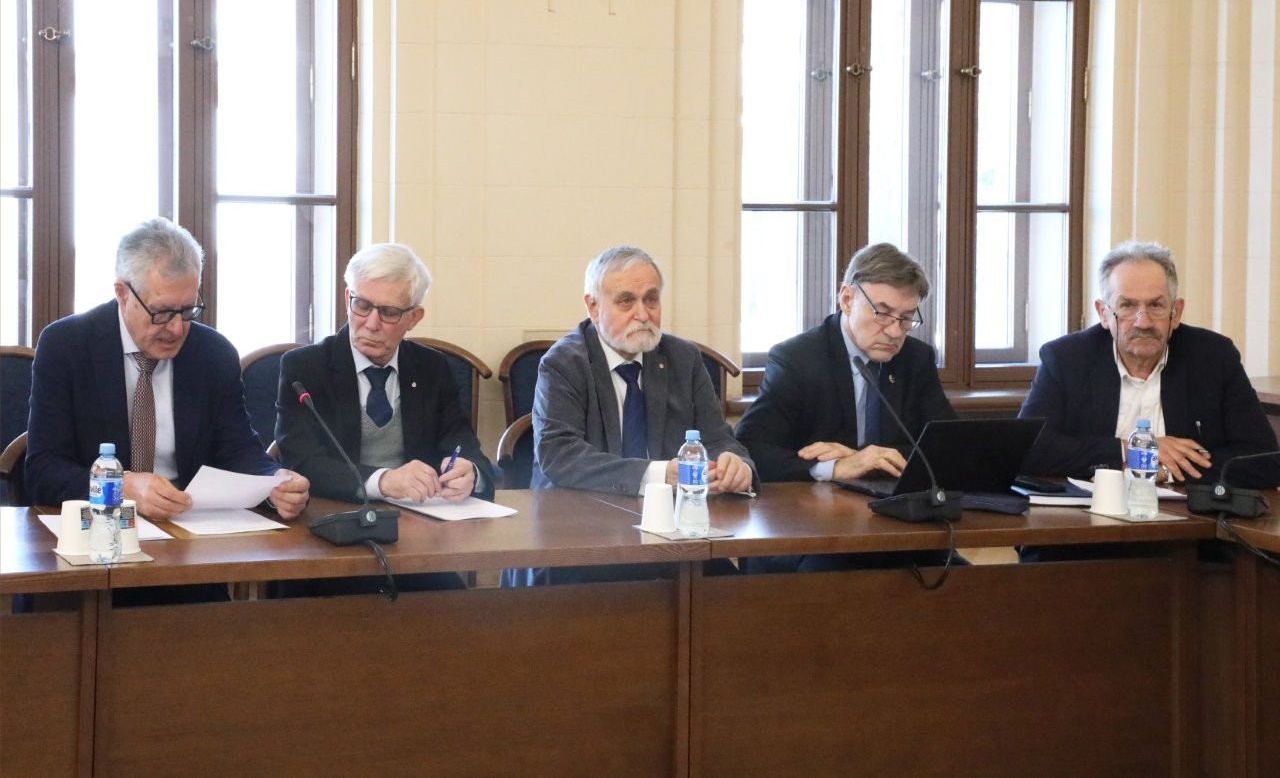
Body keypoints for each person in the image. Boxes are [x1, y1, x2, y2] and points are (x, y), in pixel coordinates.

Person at [26, 217, 310, 520]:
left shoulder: (214, 354)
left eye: (187, 310)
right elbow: (43, 469)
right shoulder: (67, 346)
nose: (176, 328)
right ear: (123, 294)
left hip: (189, 525)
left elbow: (238, 450)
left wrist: (274, 482)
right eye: (161, 312)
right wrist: (120, 486)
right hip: (100, 524)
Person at [734, 242, 958, 573]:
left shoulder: (916, 359)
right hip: (809, 533)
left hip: (898, 530)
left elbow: (948, 449)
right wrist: (834, 467)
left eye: (906, 318)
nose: (894, 331)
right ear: (847, 299)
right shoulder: (797, 359)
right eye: (882, 313)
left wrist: (864, 458)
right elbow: (752, 448)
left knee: (969, 581)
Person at [1020, 240, 1280, 489]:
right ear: (1104, 314)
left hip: (1187, 515)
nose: (1143, 322)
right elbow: (1029, 450)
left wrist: (1165, 471)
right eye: (1127, 305)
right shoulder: (1066, 358)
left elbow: (1265, 458)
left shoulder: (1213, 357)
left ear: (1176, 313)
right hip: (1088, 513)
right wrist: (1133, 450)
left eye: (1156, 305)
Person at [276, 242, 494, 505]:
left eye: (388, 312)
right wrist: (383, 481)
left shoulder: (432, 368)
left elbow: (465, 448)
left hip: (419, 516)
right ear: (347, 299)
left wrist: (471, 473)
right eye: (362, 305)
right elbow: (302, 463)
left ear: (414, 317)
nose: (371, 324)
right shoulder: (306, 368)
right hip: (335, 512)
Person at [532, 245, 756, 497]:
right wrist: (658, 475)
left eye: (651, 299)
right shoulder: (564, 363)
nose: (642, 314)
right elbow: (560, 454)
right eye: (626, 301)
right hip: (579, 508)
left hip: (670, 510)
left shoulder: (683, 358)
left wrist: (737, 465)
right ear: (593, 307)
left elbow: (717, 438)